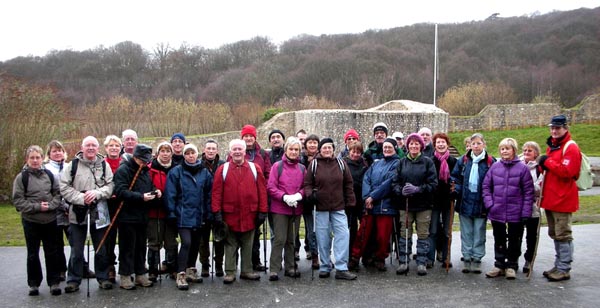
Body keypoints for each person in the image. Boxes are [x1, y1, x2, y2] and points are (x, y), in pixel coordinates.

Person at [60, 136, 114, 293]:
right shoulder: (73, 165)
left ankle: (103, 278)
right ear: (82, 147)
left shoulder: (104, 165)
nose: (91, 148)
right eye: (88, 145)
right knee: (77, 249)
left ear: (98, 148)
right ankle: (74, 280)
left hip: (100, 211)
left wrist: (97, 194)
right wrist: (81, 198)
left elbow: (110, 186)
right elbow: (64, 187)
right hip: (78, 212)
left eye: (93, 145)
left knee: (101, 247)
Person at [212, 139, 268, 284]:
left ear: (245, 151)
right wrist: (216, 212)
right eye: (234, 149)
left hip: (250, 214)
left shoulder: (255, 168)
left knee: (248, 244)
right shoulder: (222, 169)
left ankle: (247, 270)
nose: (237, 152)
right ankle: (230, 272)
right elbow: (216, 193)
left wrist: (263, 211)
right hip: (229, 215)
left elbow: (262, 191)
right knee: (230, 245)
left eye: (240, 149)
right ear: (230, 152)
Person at [304, 138, 357, 280]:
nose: (327, 150)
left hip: (339, 207)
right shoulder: (314, 164)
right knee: (323, 237)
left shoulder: (341, 163)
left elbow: (348, 184)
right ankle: (325, 265)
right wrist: (310, 195)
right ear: (320, 150)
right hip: (320, 207)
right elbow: (307, 183)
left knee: (343, 235)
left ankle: (341, 267)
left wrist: (351, 201)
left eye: (329, 147)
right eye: (324, 148)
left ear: (333, 149)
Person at [13, 145, 63, 296]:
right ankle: (33, 284)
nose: (35, 160)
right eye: (32, 158)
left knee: (52, 252)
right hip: (31, 221)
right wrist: (37, 207)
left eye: (38, 157)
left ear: (42, 158)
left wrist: (51, 206)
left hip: (50, 220)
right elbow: (18, 201)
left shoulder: (49, 175)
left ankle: (54, 282)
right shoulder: (22, 178)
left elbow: (58, 195)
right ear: (27, 160)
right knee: (32, 253)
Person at [483, 138, 534, 280]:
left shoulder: (522, 169)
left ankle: (511, 265)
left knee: (514, 239)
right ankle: (499, 264)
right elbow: (486, 186)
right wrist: (490, 204)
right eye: (502, 149)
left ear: (514, 150)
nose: (504, 151)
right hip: (497, 209)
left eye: (508, 148)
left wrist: (526, 212)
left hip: (515, 210)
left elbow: (528, 192)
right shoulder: (495, 167)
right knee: (498, 238)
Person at [539, 115, 581, 281]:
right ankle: (558, 265)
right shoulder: (554, 147)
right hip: (551, 198)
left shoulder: (570, 148)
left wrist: (547, 162)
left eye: (558, 128)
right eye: (552, 128)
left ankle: (564, 268)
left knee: (563, 233)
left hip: (563, 199)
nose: (554, 131)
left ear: (565, 128)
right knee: (555, 233)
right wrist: (544, 165)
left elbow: (568, 172)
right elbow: (550, 172)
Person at [166, 144, 213, 290]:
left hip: (199, 215)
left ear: (197, 154)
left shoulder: (205, 173)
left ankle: (191, 269)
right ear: (184, 156)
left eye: (193, 153)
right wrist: (172, 212)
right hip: (182, 215)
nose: (190, 156)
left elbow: (209, 195)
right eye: (187, 153)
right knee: (186, 243)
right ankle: (181, 274)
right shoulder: (176, 172)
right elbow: (170, 194)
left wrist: (209, 212)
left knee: (195, 243)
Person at [350, 138, 400, 272]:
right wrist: (367, 197)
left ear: (395, 148)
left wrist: (373, 196)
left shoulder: (397, 164)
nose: (387, 149)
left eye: (390, 147)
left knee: (382, 236)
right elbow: (366, 179)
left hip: (386, 205)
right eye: (385, 147)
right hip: (370, 205)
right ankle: (355, 257)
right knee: (363, 233)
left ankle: (379, 258)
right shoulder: (376, 164)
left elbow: (389, 183)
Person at [392, 133, 438, 276]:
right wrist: (401, 191)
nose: (413, 146)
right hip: (405, 204)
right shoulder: (401, 162)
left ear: (421, 146)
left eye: (416, 143)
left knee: (423, 233)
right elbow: (395, 182)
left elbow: (433, 184)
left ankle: (422, 262)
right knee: (405, 233)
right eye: (411, 144)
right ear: (407, 146)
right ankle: (404, 261)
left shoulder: (428, 162)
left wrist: (419, 189)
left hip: (423, 204)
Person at [450, 133, 495, 274]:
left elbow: (494, 181)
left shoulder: (490, 161)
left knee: (479, 231)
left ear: (484, 144)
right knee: (466, 231)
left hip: (481, 202)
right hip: (465, 200)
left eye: (478, 143)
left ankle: (477, 257)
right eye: (473, 143)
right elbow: (455, 177)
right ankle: (467, 255)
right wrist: (456, 189)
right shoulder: (463, 160)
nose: (475, 146)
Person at [113, 144, 156, 289]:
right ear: (135, 157)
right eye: (142, 160)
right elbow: (120, 191)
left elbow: (149, 187)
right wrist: (140, 197)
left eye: (146, 160)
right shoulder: (123, 170)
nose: (145, 163)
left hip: (142, 216)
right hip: (127, 216)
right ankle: (125, 275)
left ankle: (140, 273)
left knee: (140, 246)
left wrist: (155, 192)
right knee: (127, 247)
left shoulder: (144, 171)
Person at [267, 137, 305, 281]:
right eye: (291, 149)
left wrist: (298, 196)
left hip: (296, 207)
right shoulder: (277, 166)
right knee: (280, 238)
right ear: (286, 150)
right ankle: (274, 269)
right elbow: (271, 187)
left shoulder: (302, 168)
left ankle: (290, 266)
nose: (294, 152)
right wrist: (284, 197)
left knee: (292, 239)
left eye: (296, 150)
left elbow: (305, 187)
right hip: (280, 208)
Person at [237, 124, 271, 272]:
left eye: (251, 136)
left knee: (255, 232)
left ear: (255, 137)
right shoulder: (236, 152)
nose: (249, 138)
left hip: (256, 199)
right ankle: (238, 263)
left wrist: (263, 191)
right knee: (238, 232)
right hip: (239, 200)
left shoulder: (263, 154)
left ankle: (255, 261)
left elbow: (268, 174)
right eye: (246, 136)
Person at [147, 141, 178, 281]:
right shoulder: (150, 169)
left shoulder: (177, 169)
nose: (165, 154)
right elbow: (146, 186)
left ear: (172, 153)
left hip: (171, 212)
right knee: (154, 241)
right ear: (157, 153)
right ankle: (153, 270)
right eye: (162, 151)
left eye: (168, 151)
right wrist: (154, 192)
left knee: (171, 241)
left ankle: (172, 268)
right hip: (155, 211)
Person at [427, 133, 458, 269]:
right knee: (432, 230)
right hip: (433, 201)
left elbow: (457, 179)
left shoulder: (453, 161)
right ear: (435, 144)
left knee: (447, 231)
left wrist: (455, 187)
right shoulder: (430, 161)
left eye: (443, 142)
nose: (440, 145)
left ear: (447, 144)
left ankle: (446, 257)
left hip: (448, 201)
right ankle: (430, 258)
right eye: (438, 142)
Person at [43, 140, 70, 282]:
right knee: (57, 242)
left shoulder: (69, 166)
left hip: (70, 209)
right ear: (49, 154)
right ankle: (61, 269)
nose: (57, 153)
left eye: (60, 150)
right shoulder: (46, 169)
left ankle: (80, 267)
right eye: (54, 151)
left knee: (75, 241)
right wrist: (60, 206)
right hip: (55, 211)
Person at [199, 139, 226, 277]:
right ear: (204, 150)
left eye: (213, 148)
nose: (210, 151)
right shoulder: (198, 165)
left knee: (219, 238)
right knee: (203, 240)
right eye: (208, 148)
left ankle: (219, 264)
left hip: (218, 208)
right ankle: (204, 264)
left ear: (217, 151)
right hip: (203, 208)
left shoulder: (223, 165)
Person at [519, 141, 543, 274]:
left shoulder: (539, 168)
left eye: (530, 151)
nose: (526, 153)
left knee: (531, 235)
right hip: (518, 205)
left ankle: (529, 259)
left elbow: (540, 188)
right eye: (525, 150)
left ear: (536, 153)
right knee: (516, 234)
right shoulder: (518, 164)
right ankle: (513, 259)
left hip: (533, 206)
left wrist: (527, 186)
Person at [342, 141, 368, 257]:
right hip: (348, 201)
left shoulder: (365, 164)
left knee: (364, 230)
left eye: (358, 152)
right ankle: (349, 255)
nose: (355, 154)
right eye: (353, 151)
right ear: (349, 151)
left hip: (361, 200)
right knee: (350, 230)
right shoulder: (343, 164)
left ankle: (363, 254)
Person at [103, 135, 122, 282]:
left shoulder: (125, 162)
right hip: (107, 204)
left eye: (116, 145)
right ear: (106, 148)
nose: (114, 148)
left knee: (125, 237)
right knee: (109, 237)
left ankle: (126, 266)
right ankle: (110, 266)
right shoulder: (101, 164)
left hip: (123, 204)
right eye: (111, 145)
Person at [299, 134, 320, 269]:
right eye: (310, 142)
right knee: (311, 230)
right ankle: (314, 255)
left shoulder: (322, 159)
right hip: (306, 200)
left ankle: (322, 254)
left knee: (321, 230)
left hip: (320, 199)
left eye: (315, 142)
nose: (312, 145)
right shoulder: (301, 160)